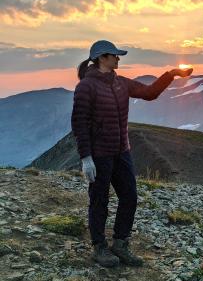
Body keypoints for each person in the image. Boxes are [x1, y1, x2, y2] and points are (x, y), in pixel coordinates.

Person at [71, 39, 193, 268]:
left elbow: (149, 93)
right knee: (99, 200)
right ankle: (99, 247)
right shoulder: (86, 86)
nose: (119, 59)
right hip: (99, 154)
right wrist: (86, 158)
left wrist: (172, 74)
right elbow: (79, 123)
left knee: (129, 197)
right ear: (102, 58)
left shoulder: (120, 83)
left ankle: (120, 243)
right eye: (115, 55)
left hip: (121, 151)